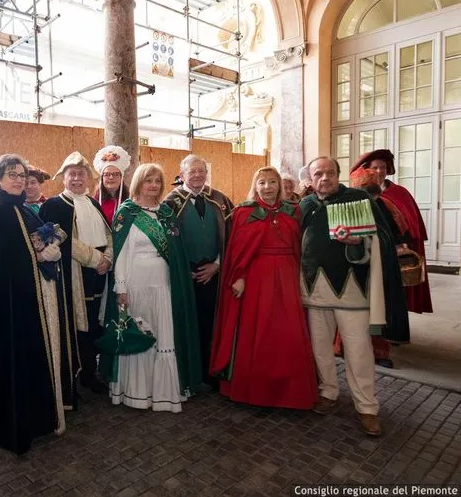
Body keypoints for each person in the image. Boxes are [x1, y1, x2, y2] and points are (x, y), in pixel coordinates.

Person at [300, 157, 409, 436]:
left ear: (339, 175)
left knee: (358, 350)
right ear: (311, 179)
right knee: (320, 347)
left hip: (352, 290)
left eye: (330, 173)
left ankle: (367, 407)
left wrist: (360, 242)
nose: (325, 178)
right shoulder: (305, 206)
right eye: (318, 174)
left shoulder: (359, 199)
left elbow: (382, 240)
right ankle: (328, 392)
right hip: (313, 290)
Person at [0, 154, 69, 454]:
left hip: (33, 298)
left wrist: (50, 246)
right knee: (14, 359)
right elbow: (5, 257)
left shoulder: (26, 209)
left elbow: (40, 238)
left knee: (33, 357)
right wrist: (40, 255)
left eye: (21, 174)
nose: (18, 179)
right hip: (11, 300)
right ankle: (14, 425)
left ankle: (38, 418)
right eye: (11, 174)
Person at [210, 166, 317, 409]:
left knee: (288, 334)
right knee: (258, 333)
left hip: (288, 278)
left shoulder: (294, 211)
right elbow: (237, 251)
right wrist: (239, 277)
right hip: (257, 280)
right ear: (255, 186)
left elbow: (303, 247)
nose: (267, 187)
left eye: (272, 182)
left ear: (280, 185)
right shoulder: (244, 213)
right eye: (262, 183)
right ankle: (254, 391)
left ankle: (292, 392)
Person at [105, 163, 201, 412]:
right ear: (139, 182)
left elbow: (176, 254)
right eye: (149, 180)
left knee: (162, 334)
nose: (154, 185)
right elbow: (121, 254)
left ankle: (162, 393)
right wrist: (121, 288)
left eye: (158, 181)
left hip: (163, 285)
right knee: (140, 332)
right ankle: (137, 393)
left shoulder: (166, 213)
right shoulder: (127, 213)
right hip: (136, 284)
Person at [40, 151, 112, 397]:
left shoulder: (93, 203)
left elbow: (108, 234)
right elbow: (65, 240)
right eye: (72, 174)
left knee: (94, 324)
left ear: (89, 179)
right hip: (75, 274)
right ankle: (73, 376)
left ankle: (91, 373)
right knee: (75, 326)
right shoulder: (54, 205)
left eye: (82, 174)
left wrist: (108, 258)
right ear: (64, 178)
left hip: (100, 272)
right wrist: (96, 259)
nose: (77, 179)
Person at [164, 154, 234, 389]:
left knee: (211, 322)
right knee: (187, 323)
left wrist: (217, 264)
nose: (197, 175)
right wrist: (182, 269)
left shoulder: (219, 199)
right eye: (191, 171)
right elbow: (165, 241)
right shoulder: (170, 203)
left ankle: (211, 370)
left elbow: (233, 237)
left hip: (214, 271)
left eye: (201, 171)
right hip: (184, 273)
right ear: (181, 175)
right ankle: (188, 373)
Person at [334, 166, 411, 369]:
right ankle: (344, 347)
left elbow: (398, 232)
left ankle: (379, 351)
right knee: (350, 310)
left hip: (380, 266)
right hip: (352, 267)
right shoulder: (346, 206)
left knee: (380, 308)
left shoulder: (386, 206)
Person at [350, 149, 432, 314]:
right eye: (375, 167)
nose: (380, 171)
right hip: (367, 252)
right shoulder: (357, 193)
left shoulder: (399, 192)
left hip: (393, 250)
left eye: (384, 168)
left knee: (393, 295)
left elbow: (410, 223)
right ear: (366, 169)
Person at [92, 145, 130, 225]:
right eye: (107, 174)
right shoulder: (93, 203)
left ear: (121, 177)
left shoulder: (129, 202)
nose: (111, 177)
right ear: (102, 178)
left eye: (116, 174)